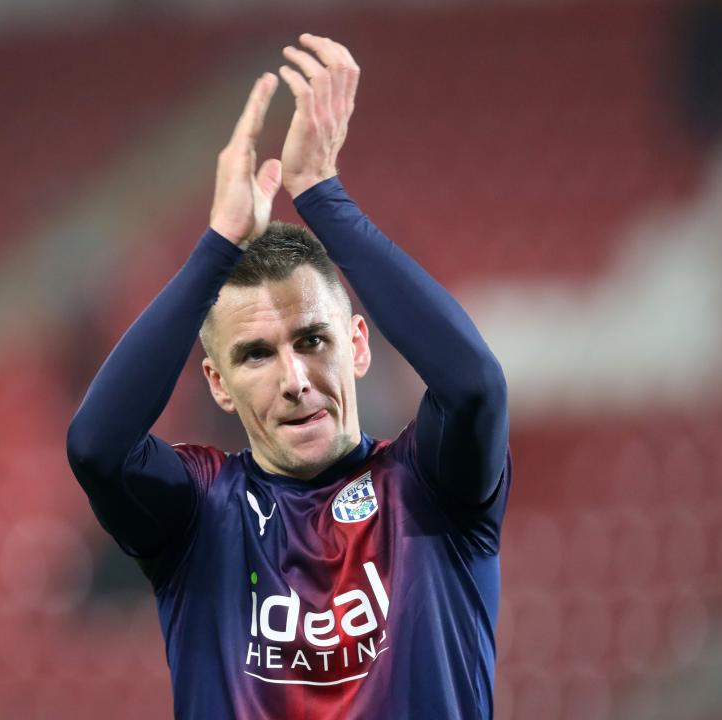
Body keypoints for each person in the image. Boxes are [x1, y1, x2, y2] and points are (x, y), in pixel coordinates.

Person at [66, 34, 511, 720]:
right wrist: (217, 245)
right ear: (217, 384)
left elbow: (474, 385)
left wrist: (323, 197)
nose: (296, 378)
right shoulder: (198, 516)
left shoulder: (431, 488)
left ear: (358, 346)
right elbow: (97, 445)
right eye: (256, 355)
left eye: (313, 340)